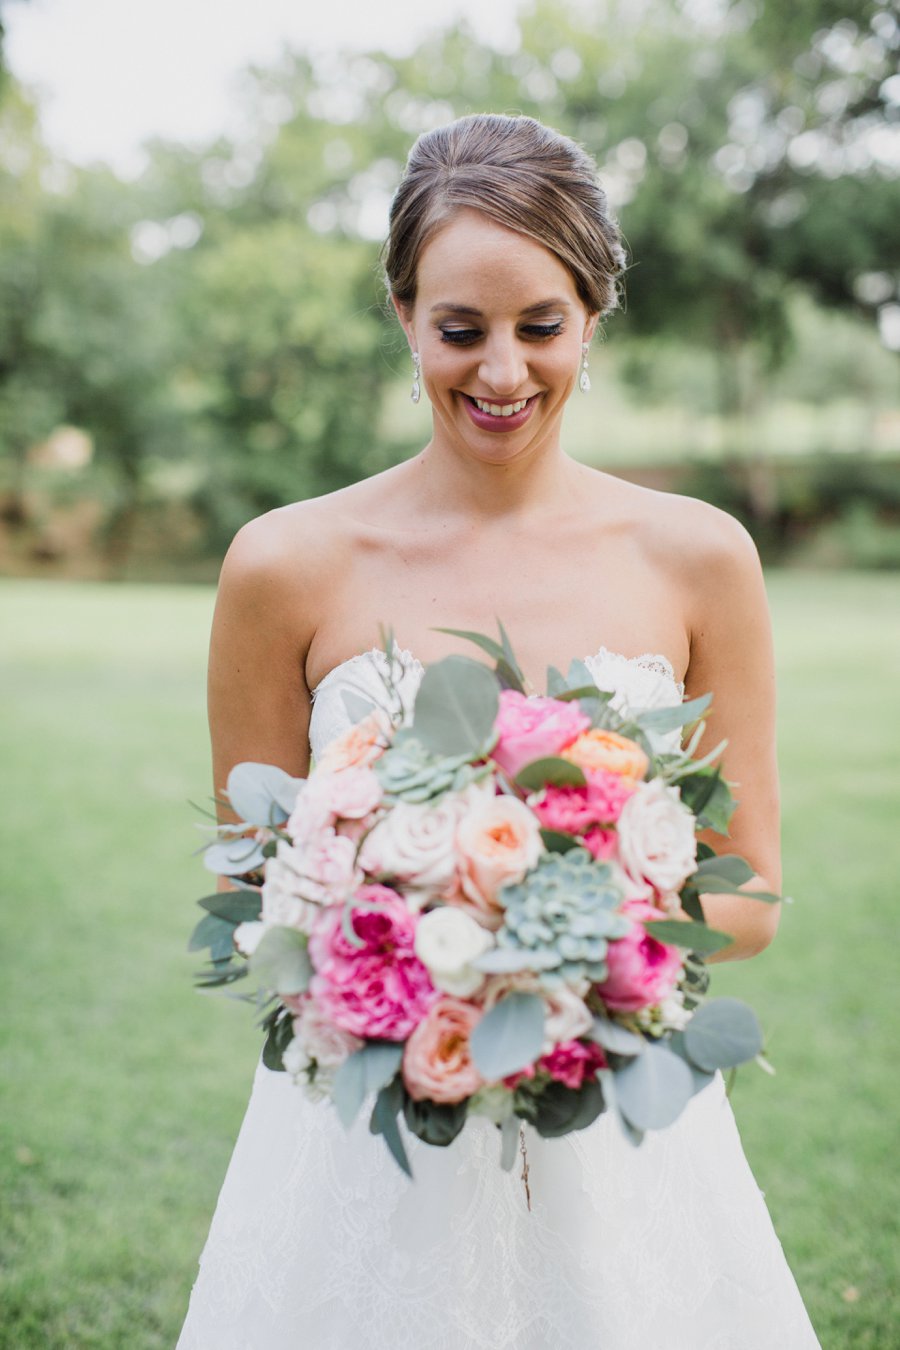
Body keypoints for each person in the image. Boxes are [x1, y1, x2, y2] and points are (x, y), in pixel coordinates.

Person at [177, 113, 820, 1348]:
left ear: (593, 317)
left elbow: (750, 900)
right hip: (367, 1144)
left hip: (624, 1125)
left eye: (542, 326)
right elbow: (263, 893)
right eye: (460, 329)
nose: (503, 372)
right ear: (405, 316)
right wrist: (416, 963)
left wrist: (545, 961)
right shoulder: (283, 567)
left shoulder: (699, 559)